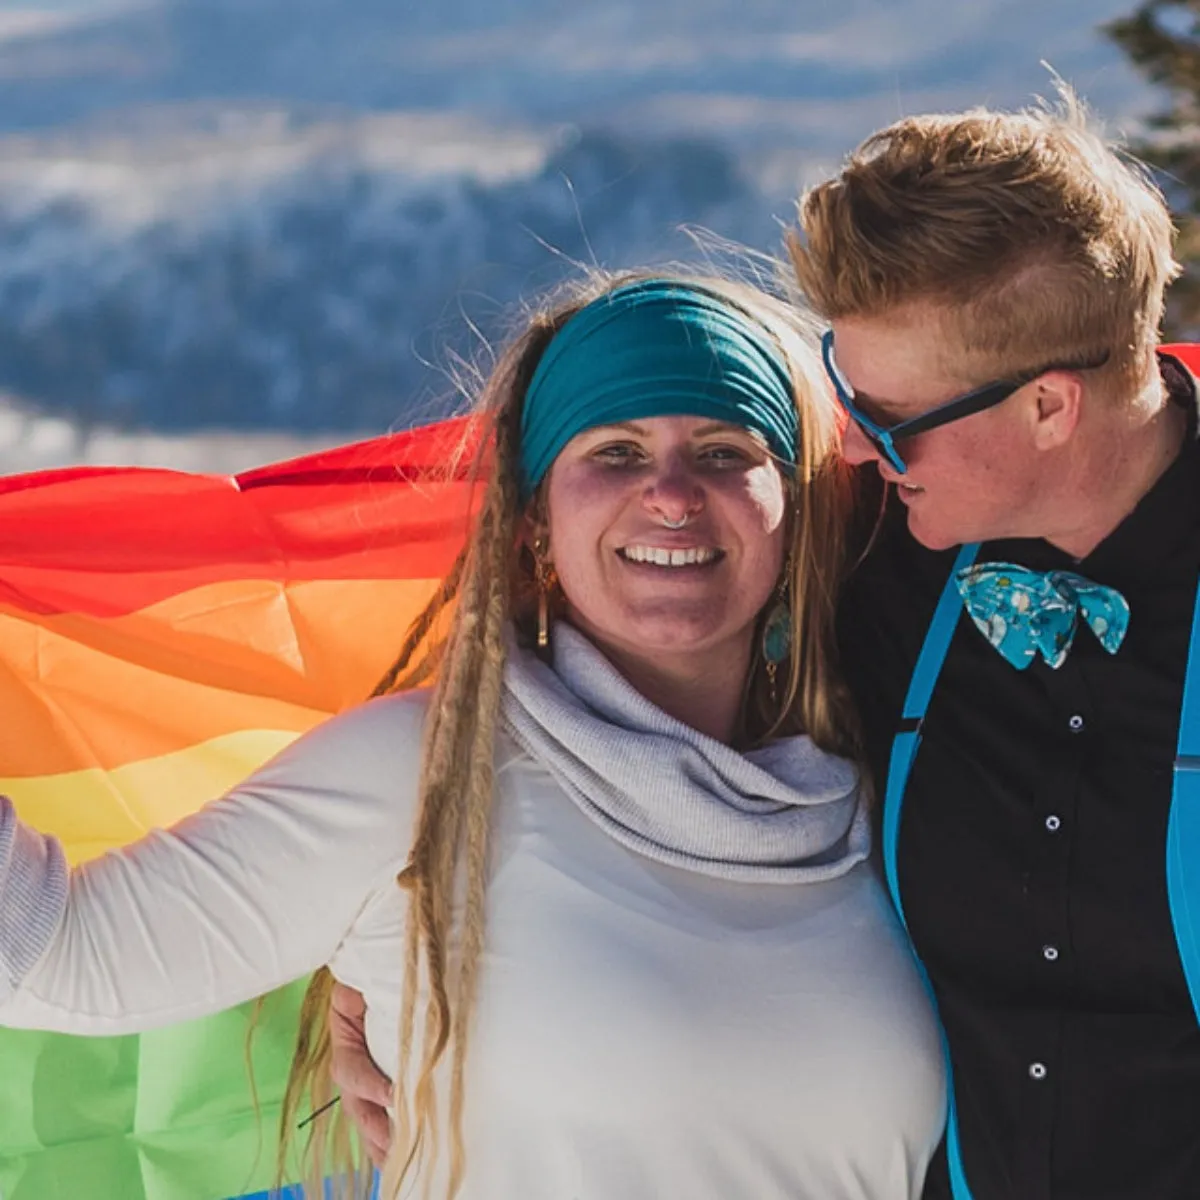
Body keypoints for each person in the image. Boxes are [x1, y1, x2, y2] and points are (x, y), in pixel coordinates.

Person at [332, 92, 1200, 1199]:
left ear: (1048, 408)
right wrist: (375, 979)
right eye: (847, 395)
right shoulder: (862, 556)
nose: (859, 446)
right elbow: (595, 712)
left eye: (893, 417)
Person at [0, 274, 948, 1199]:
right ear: (536, 516)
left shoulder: (895, 790)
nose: (670, 493)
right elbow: (55, 957)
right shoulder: (424, 777)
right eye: (613, 452)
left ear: (795, 507)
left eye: (722, 450)